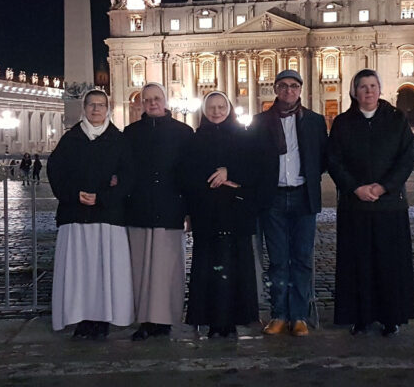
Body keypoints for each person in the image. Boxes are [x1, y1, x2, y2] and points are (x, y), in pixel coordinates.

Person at [328, 69, 414, 337]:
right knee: (358, 265)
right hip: (355, 205)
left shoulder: (396, 119)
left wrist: (383, 186)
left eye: (373, 86)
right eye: (363, 86)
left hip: (389, 205)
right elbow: (334, 161)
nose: (368, 91)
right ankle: (360, 316)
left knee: (389, 263)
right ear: (354, 92)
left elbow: (406, 160)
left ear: (380, 89)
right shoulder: (342, 123)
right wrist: (355, 187)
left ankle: (391, 317)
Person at [47, 89, 134, 340]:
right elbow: (55, 172)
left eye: (101, 105)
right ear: (84, 108)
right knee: (79, 272)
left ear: (108, 109)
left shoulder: (119, 140)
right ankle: (82, 318)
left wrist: (103, 198)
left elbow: (129, 177)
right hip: (75, 214)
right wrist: (74, 194)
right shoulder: (70, 139)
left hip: (108, 216)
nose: (96, 109)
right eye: (91, 105)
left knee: (104, 271)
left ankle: (103, 318)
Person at [180, 91, 264, 338]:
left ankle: (233, 320)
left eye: (221, 107)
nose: (216, 112)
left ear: (229, 109)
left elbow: (255, 168)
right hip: (206, 212)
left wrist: (230, 172)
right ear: (204, 111)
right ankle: (212, 320)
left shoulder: (244, 137)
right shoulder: (195, 139)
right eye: (211, 107)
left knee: (235, 265)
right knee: (208, 266)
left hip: (235, 211)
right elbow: (187, 174)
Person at [251, 69, 327, 337]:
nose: (288, 90)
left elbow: (323, 157)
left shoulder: (315, 121)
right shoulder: (260, 122)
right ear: (275, 89)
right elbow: (252, 158)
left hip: (303, 195)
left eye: (293, 85)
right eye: (283, 85)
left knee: (302, 258)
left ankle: (299, 316)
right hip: (272, 198)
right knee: (278, 259)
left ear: (300, 90)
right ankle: (279, 314)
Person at [122, 83, 194, 341]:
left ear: (165, 101)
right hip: (140, 207)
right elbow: (124, 170)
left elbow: (190, 174)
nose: (152, 103)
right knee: (140, 267)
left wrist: (189, 210)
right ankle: (145, 320)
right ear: (141, 103)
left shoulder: (184, 133)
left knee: (168, 268)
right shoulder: (130, 133)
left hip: (170, 207)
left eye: (157, 98)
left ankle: (164, 320)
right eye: (147, 99)